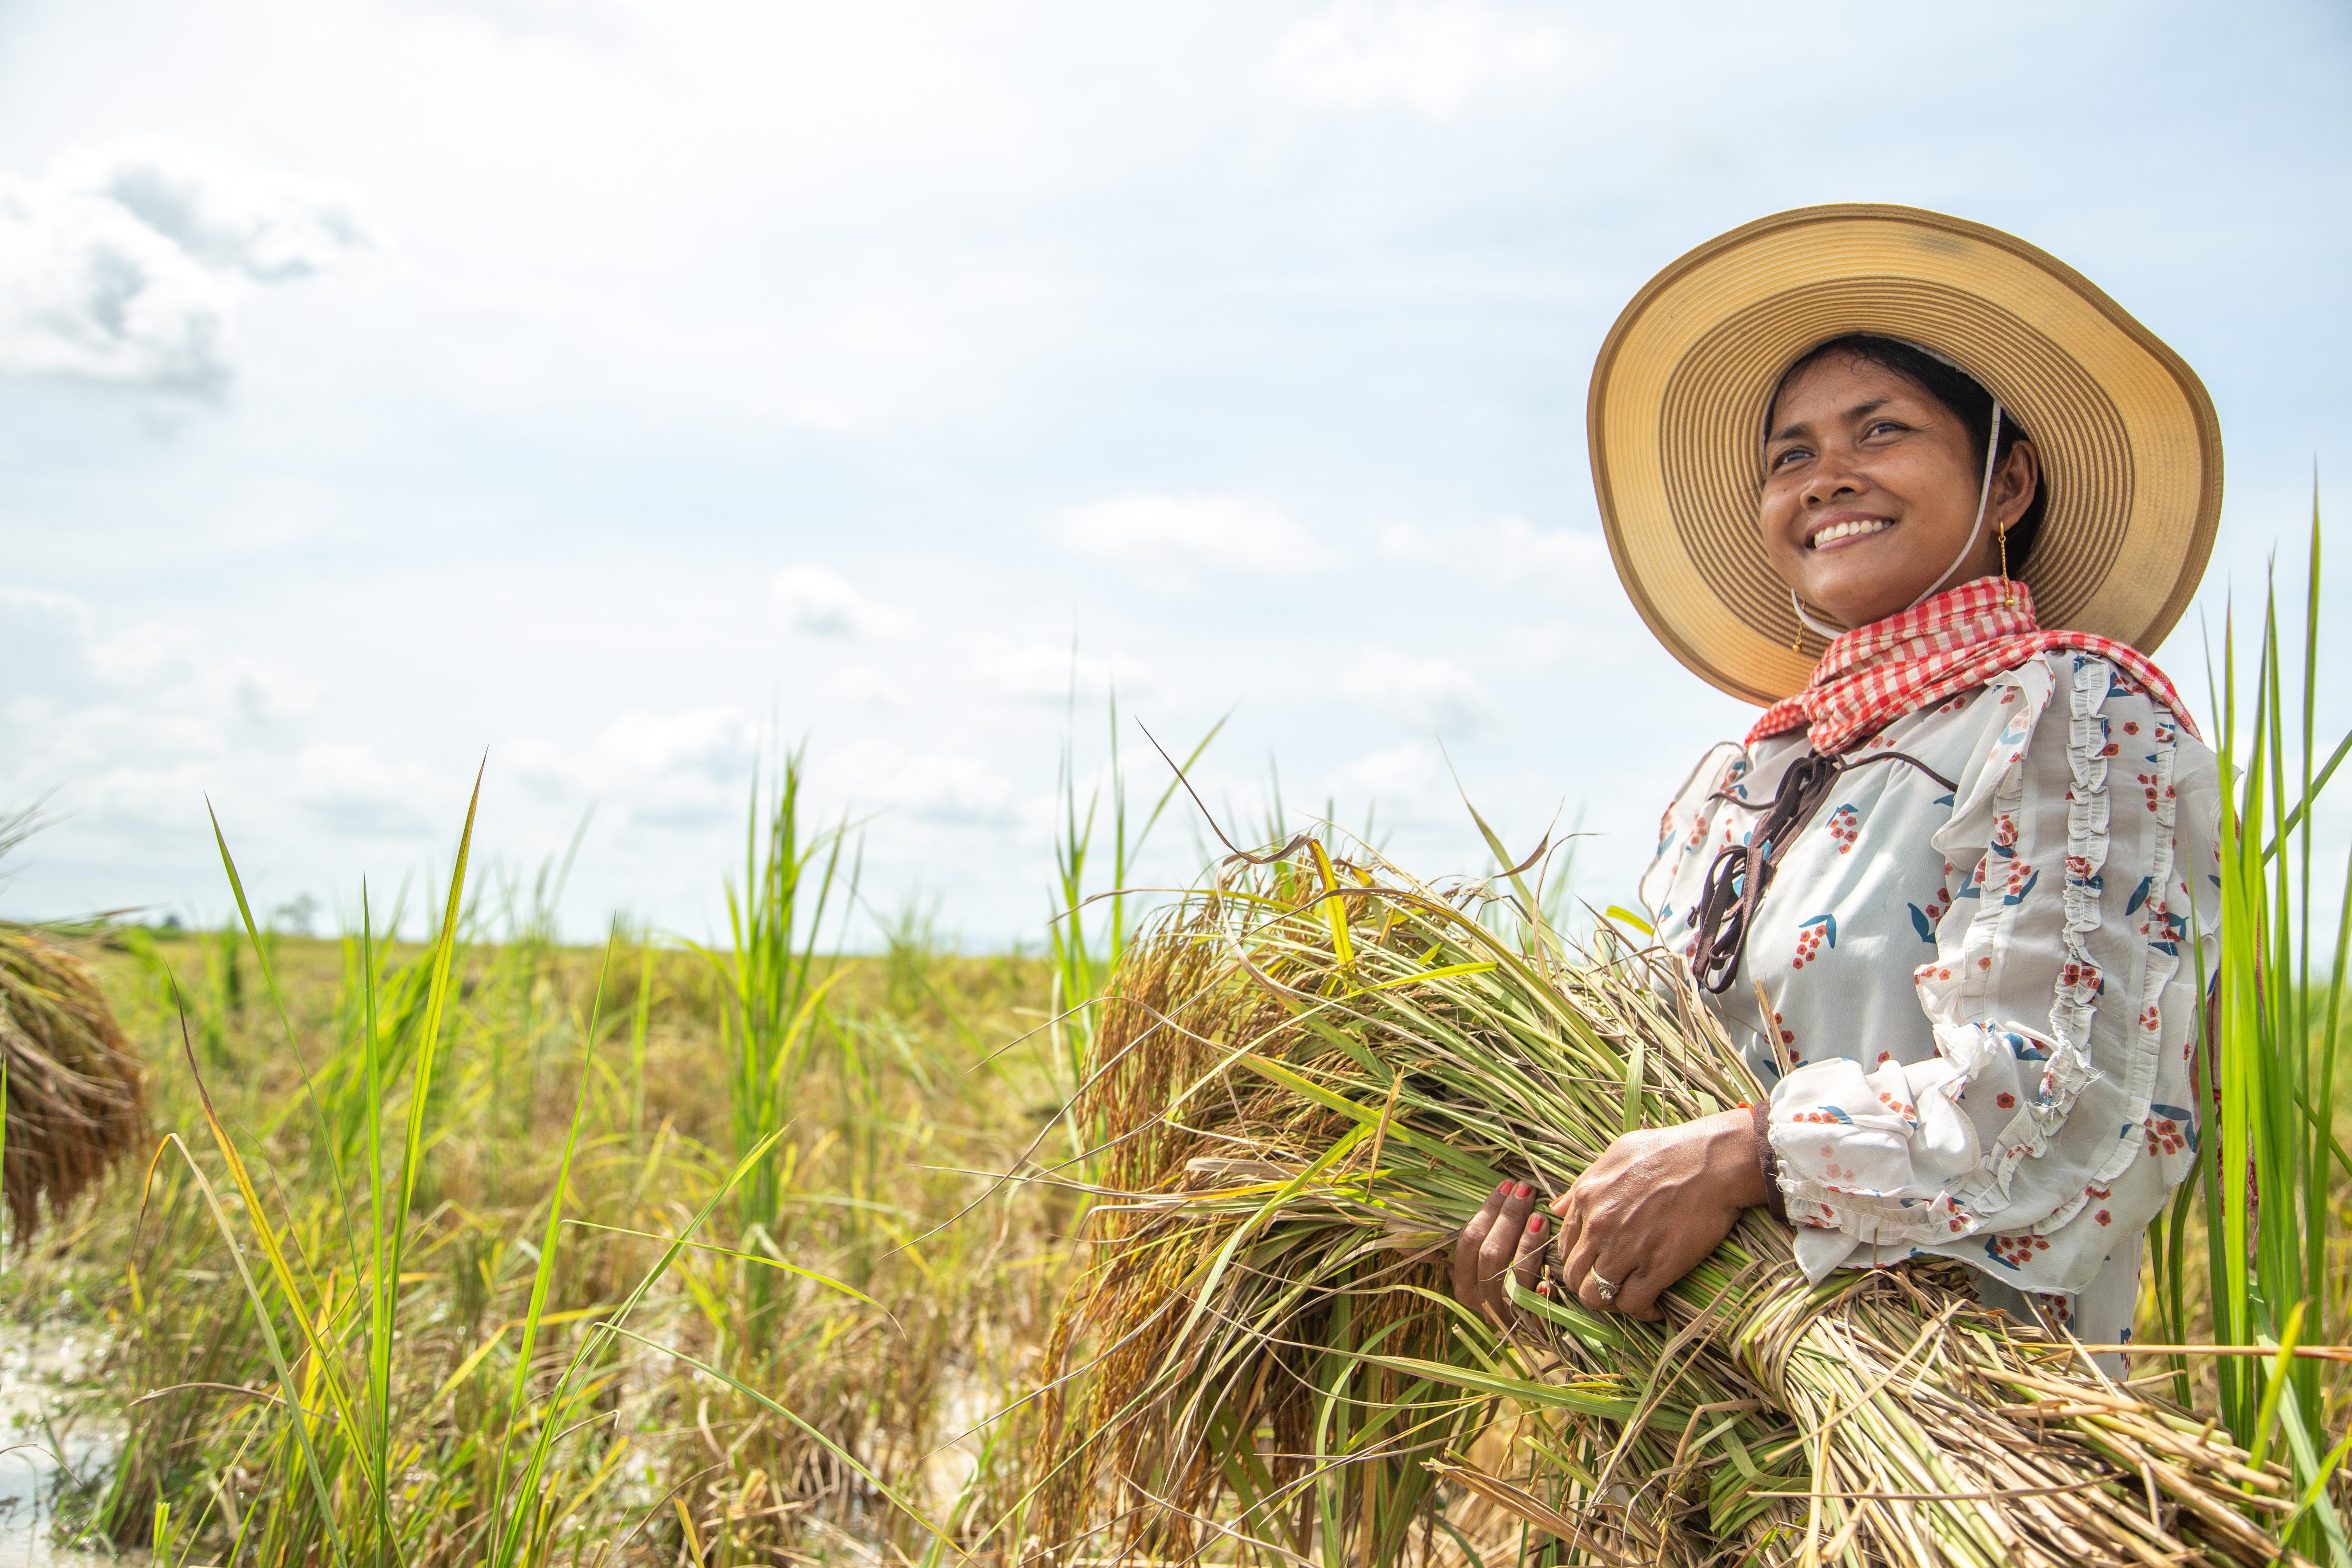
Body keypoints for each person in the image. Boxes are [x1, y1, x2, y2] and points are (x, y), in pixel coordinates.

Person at [1452, 205, 2223, 1356]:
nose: (1827, 478)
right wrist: (1548, 1223)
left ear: (2008, 483)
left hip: (1955, 1439)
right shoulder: (1749, 776)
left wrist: (1751, 1154)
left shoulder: (2065, 711)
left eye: (1880, 431)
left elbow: (2069, 1110)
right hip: (1687, 1437)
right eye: (1792, 455)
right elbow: (1645, 1101)